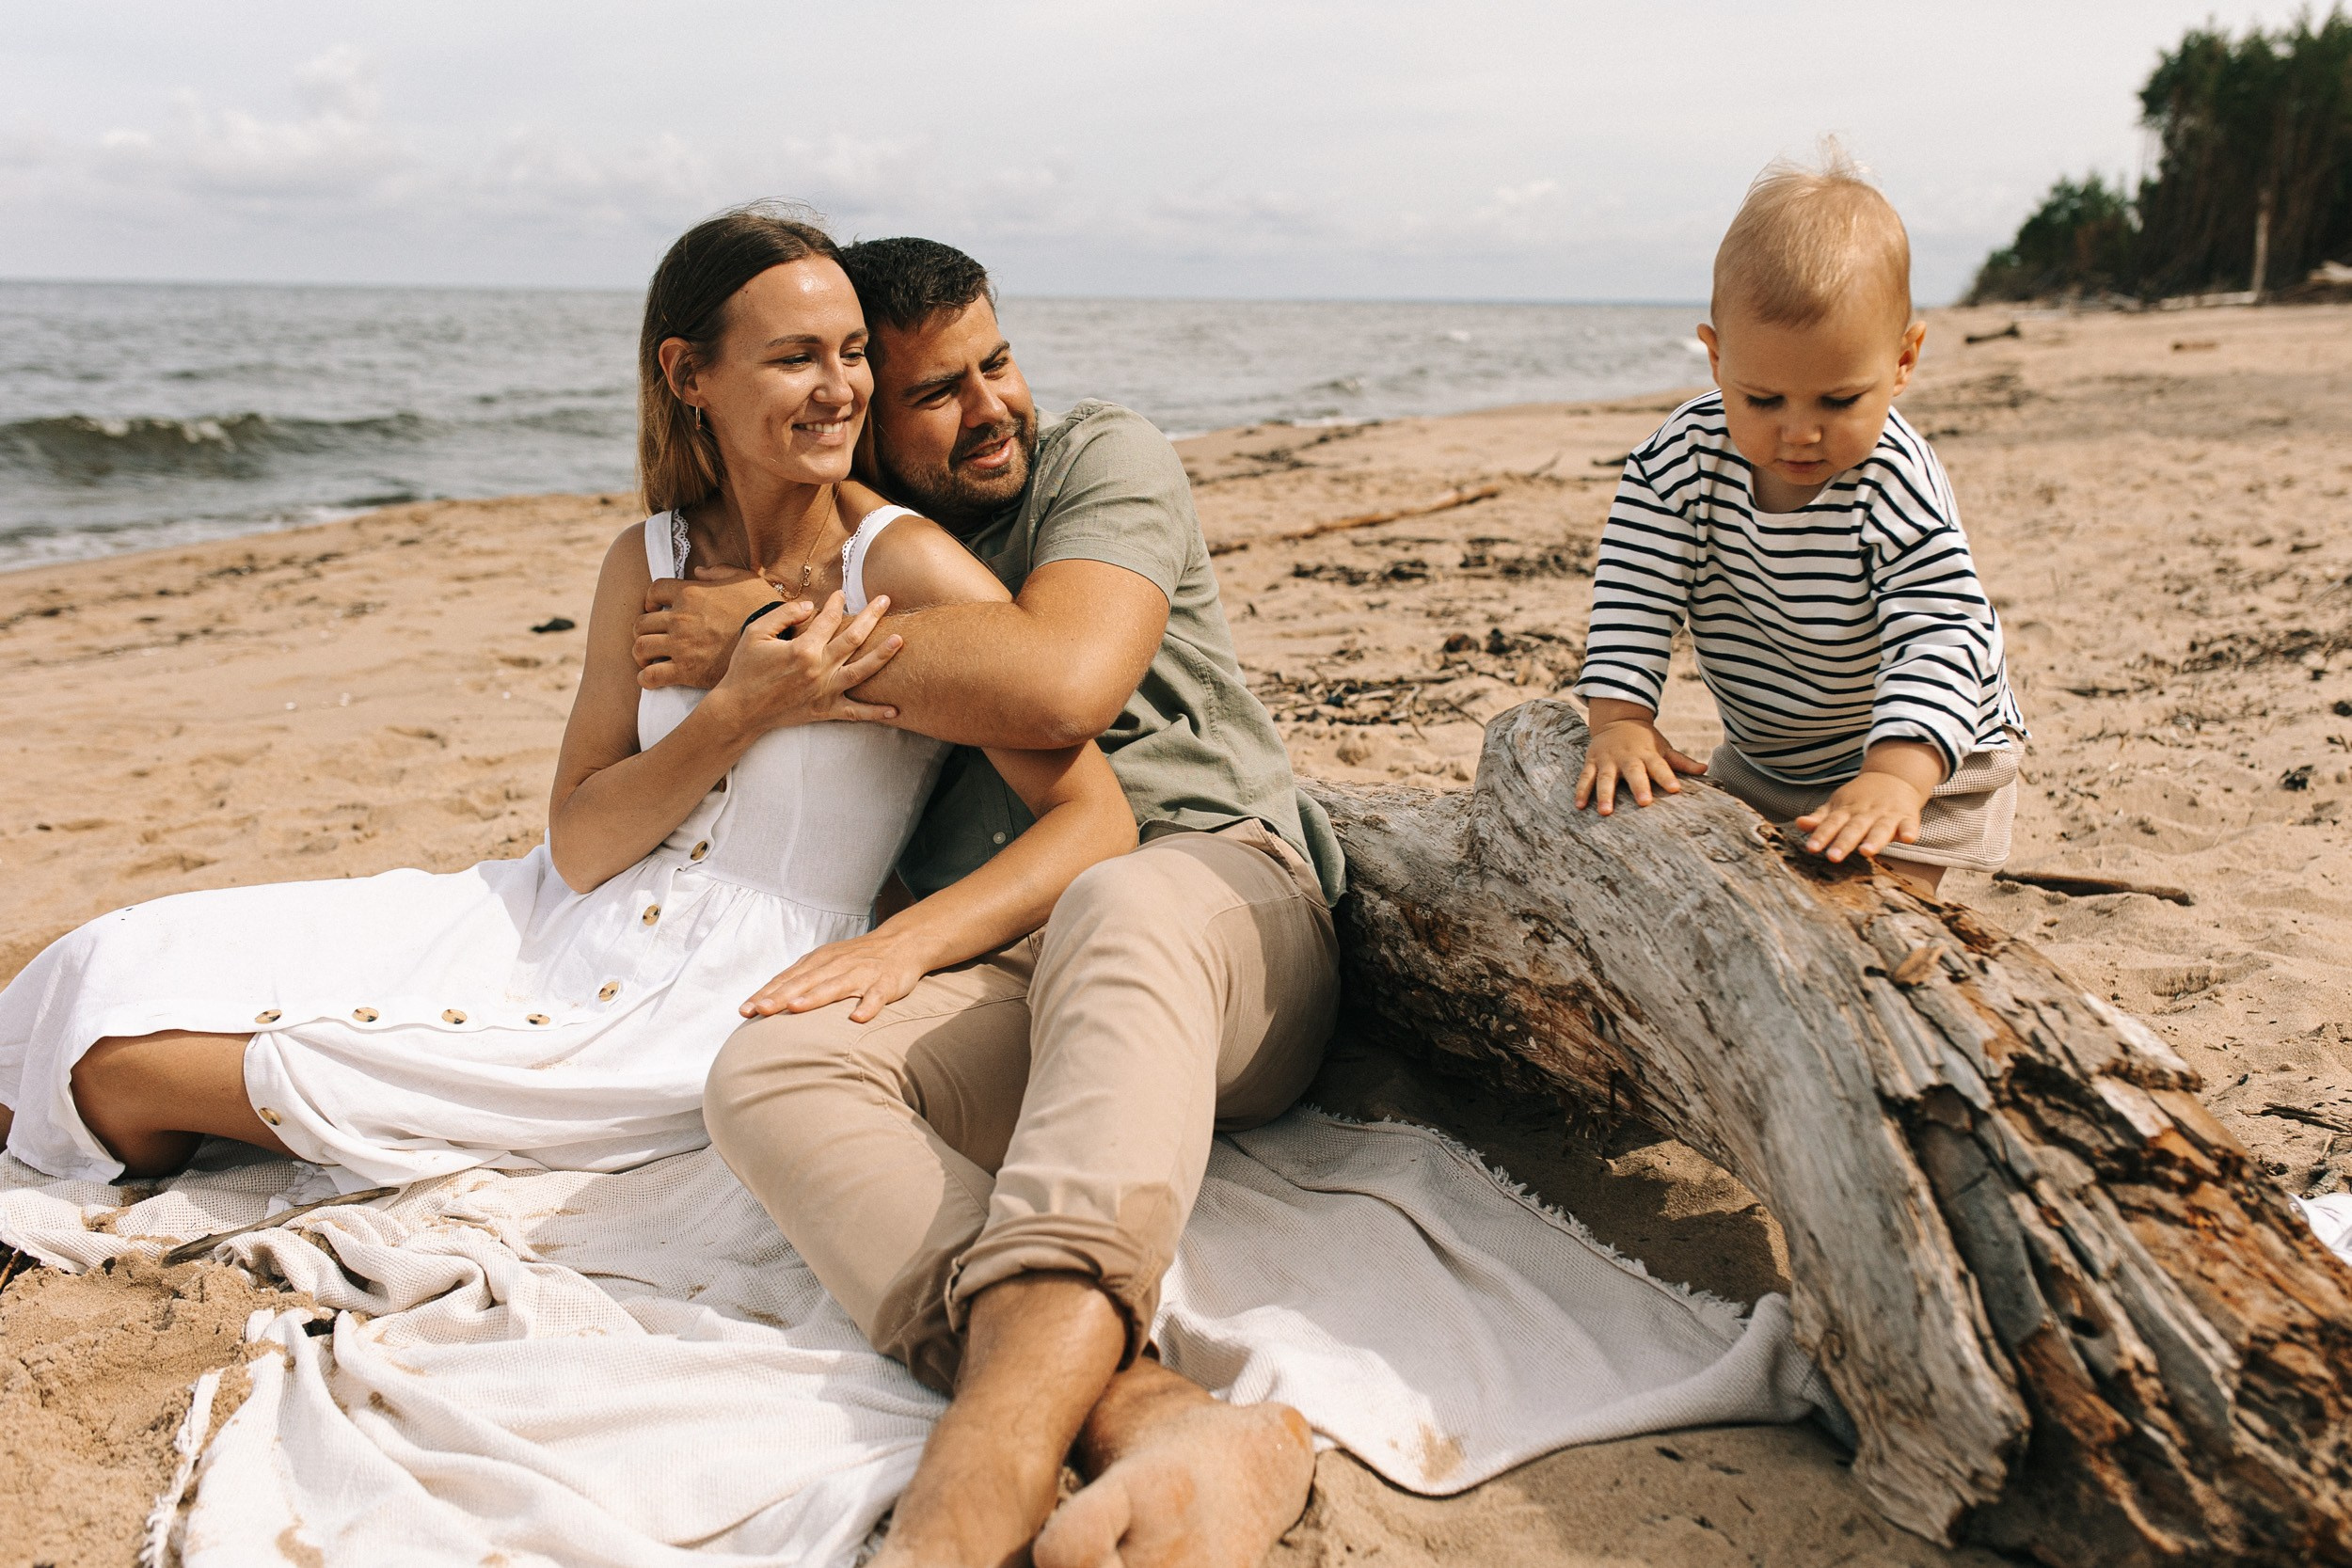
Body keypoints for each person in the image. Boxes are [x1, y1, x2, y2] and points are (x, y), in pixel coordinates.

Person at [0, 206, 1134, 1192]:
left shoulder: (903, 562)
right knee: (106, 956)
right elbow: (583, 845)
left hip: (705, 997)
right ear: (689, 375)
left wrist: (907, 945)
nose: (840, 388)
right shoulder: (647, 559)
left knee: (121, 1068)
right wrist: (735, 710)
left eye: (850, 354)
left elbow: (1093, 814)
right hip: (548, 913)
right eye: (796, 357)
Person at [634, 238, 1343, 1568]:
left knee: (1122, 900)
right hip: (1015, 959)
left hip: (1227, 912)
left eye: (997, 363)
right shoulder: (867, 554)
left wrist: (776, 640)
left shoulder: (1099, 458)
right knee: (767, 1070)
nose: (991, 407)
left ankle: (981, 1472)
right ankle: (1156, 1414)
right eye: (936, 393)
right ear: (866, 425)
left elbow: (1063, 681)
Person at [1569, 150, 2026, 898]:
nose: (1801, 433)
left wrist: (1895, 776)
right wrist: (1621, 719)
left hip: (1932, 755)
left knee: (1873, 903)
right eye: (1764, 400)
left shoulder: (1896, 479)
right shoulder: (1677, 461)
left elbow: (1941, 632)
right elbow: (1634, 592)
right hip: (1768, 762)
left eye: (1839, 401)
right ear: (1716, 359)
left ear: (1904, 359)